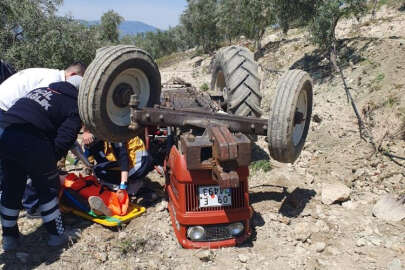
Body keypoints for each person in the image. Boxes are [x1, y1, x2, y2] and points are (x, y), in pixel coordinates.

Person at [0, 75, 83, 251]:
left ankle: (9, 238)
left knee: (12, 187)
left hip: (5, 132)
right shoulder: (74, 105)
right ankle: (57, 236)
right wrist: (49, 163)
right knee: (48, 188)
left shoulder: (41, 90)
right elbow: (65, 138)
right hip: (31, 137)